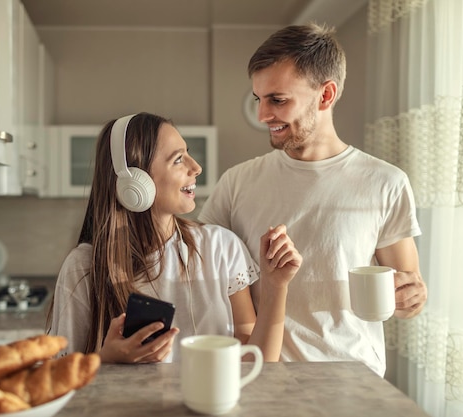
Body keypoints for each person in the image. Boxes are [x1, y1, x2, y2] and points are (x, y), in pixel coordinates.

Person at [197, 23, 428, 377]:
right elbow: (197, 271)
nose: (262, 116)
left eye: (278, 100)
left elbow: (407, 290)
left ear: (325, 95)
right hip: (262, 380)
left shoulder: (387, 183)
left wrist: (413, 298)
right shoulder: (236, 183)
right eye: (258, 99)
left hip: (352, 382)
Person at [47, 112, 302, 364]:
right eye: (178, 159)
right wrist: (106, 360)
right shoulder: (83, 266)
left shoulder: (221, 248)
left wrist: (276, 287)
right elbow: (59, 379)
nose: (196, 167)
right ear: (135, 183)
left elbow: (255, 361)